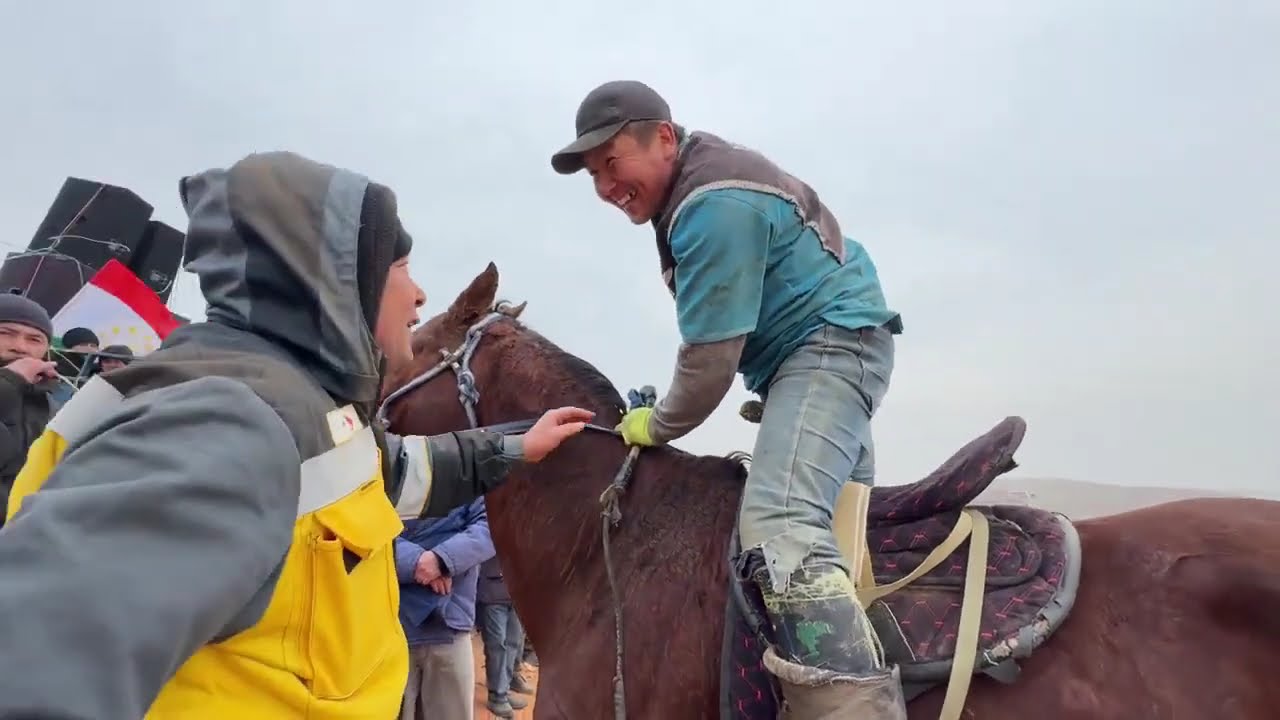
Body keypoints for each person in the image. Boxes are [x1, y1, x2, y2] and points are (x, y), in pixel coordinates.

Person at [0, 151, 594, 719]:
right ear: (337, 282)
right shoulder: (228, 418)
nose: (419, 296)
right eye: (401, 270)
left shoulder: (305, 407)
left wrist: (515, 446)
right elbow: (40, 658)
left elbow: (394, 471)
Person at [551, 81, 906, 717]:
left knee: (782, 526)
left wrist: (657, 425)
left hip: (827, 348)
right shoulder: (701, 183)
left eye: (611, 163)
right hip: (827, 349)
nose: (605, 186)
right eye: (593, 176)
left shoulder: (712, 205)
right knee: (838, 533)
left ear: (663, 137)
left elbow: (709, 362)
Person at [395, 497, 494, 720]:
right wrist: (416, 561)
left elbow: (492, 526)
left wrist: (442, 560)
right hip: (391, 626)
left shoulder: (471, 480)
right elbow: (364, 529)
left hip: (450, 624)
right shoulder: (380, 477)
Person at [0, 289, 57, 527]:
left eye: (35, 339)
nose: (20, 347)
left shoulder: (50, 405)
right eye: (6, 333)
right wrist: (9, 382)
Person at [476, 553, 533, 718]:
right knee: (497, 646)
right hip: (492, 591)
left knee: (513, 642)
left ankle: (504, 690)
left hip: (514, 592)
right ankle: (497, 696)